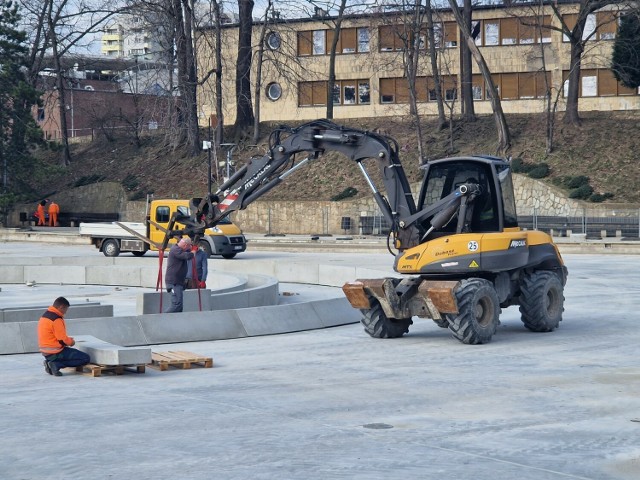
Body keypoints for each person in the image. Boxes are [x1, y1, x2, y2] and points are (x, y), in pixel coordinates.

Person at [38, 297, 90, 376]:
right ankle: (56, 364)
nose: (66, 312)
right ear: (61, 307)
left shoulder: (45, 316)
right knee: (85, 358)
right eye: (66, 309)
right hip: (56, 353)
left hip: (46, 353)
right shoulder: (56, 319)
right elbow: (62, 340)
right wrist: (71, 342)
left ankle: (50, 363)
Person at [164, 237, 194, 313]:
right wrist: (193, 252)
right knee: (176, 305)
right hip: (174, 282)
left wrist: (191, 248)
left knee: (179, 306)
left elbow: (186, 251)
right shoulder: (175, 250)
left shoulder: (179, 249)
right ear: (185, 245)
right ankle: (162, 318)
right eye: (188, 246)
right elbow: (187, 256)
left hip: (177, 282)